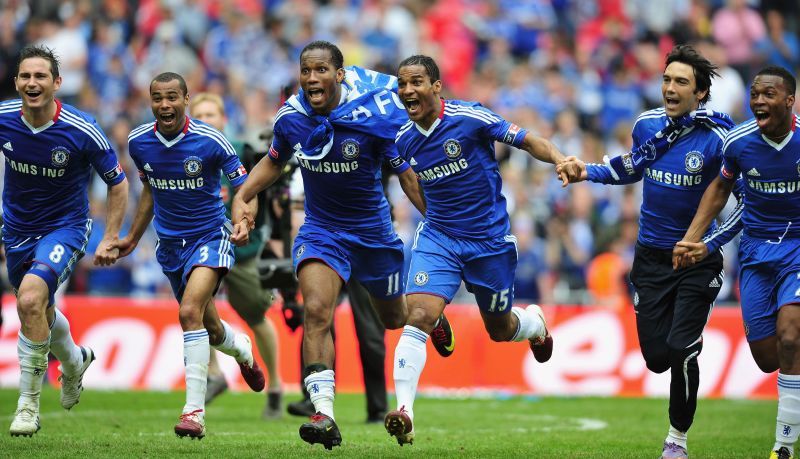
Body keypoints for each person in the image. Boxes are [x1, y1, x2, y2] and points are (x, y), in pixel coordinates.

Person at [231, 40, 456, 450]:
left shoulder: (375, 116)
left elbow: (405, 174)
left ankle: (432, 320)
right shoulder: (292, 118)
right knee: (316, 310)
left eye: (321, 71)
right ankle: (324, 414)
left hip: (373, 234)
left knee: (393, 320)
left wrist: (438, 219)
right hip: (322, 232)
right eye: (306, 71)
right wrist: (244, 196)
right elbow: (273, 160)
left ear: (340, 75)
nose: (312, 78)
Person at [557, 45, 740, 458]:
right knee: (657, 358)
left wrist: (707, 244)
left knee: (681, 348)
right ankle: (683, 352)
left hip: (696, 261)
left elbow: (744, 201)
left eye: (681, 82)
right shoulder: (647, 125)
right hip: (650, 259)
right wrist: (586, 170)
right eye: (666, 79)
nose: (670, 89)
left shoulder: (719, 139)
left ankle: (677, 440)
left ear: (700, 94)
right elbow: (632, 167)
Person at [384, 54, 570, 446]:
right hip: (439, 238)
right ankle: (405, 411)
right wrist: (431, 216)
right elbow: (410, 182)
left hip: (488, 242)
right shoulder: (402, 138)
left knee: (500, 330)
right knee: (415, 313)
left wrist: (558, 158)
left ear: (436, 86)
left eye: (416, 82)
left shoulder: (472, 118)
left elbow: (528, 139)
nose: (407, 91)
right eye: (401, 84)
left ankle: (533, 324)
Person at [114, 72, 265, 439]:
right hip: (169, 246)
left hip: (211, 237)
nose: (164, 105)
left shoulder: (212, 141)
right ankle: (242, 349)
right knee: (209, 327)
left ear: (185, 99)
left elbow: (247, 188)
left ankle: (194, 413)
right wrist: (132, 237)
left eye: (172, 98)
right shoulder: (139, 142)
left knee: (187, 312)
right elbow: (149, 189)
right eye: (157, 98)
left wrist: (244, 219)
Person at [1, 45, 129, 437]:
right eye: (26, 76)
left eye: (41, 76)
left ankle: (28, 405)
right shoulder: (5, 118)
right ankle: (75, 361)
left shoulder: (81, 128)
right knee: (38, 310)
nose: (32, 83)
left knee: (29, 299)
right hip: (17, 231)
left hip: (66, 227)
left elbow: (118, 184)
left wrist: (109, 237)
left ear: (57, 83)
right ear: (17, 81)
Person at [673, 66, 800, 459]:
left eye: (768, 95)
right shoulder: (739, 143)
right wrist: (693, 238)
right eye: (755, 94)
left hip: (797, 249)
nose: (759, 101)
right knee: (767, 358)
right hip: (756, 256)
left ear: (789, 101)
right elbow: (721, 188)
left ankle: (783, 445)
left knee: (792, 336)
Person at [188, 92, 283, 419]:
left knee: (256, 317)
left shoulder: (240, 152)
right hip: (203, 245)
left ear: (223, 120)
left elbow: (263, 192)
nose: (204, 119)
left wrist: (258, 232)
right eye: (197, 114)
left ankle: (275, 387)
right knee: (194, 306)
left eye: (210, 114)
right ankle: (213, 373)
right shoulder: (181, 155)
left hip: (244, 251)